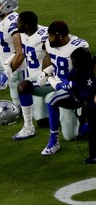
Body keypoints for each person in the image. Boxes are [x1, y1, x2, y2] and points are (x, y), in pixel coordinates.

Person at [39, 21, 90, 156]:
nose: (48, 39)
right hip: (58, 82)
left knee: (51, 100)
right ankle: (29, 123)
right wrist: (45, 72)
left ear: (60, 36)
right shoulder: (51, 44)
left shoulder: (78, 47)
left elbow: (79, 76)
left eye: (51, 36)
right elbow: (57, 64)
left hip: (75, 88)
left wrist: (48, 76)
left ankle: (53, 141)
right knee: (25, 86)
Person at [12, 11, 50, 140]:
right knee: (42, 122)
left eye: (19, 22)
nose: (17, 24)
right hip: (33, 78)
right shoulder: (24, 35)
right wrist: (7, 68)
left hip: (45, 79)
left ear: (27, 25)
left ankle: (28, 127)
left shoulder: (45, 35)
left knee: (23, 87)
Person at [66, 48, 96, 164]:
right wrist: (81, 104)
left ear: (83, 61)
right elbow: (73, 90)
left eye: (74, 62)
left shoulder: (94, 66)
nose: (73, 64)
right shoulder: (75, 73)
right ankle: (94, 155)